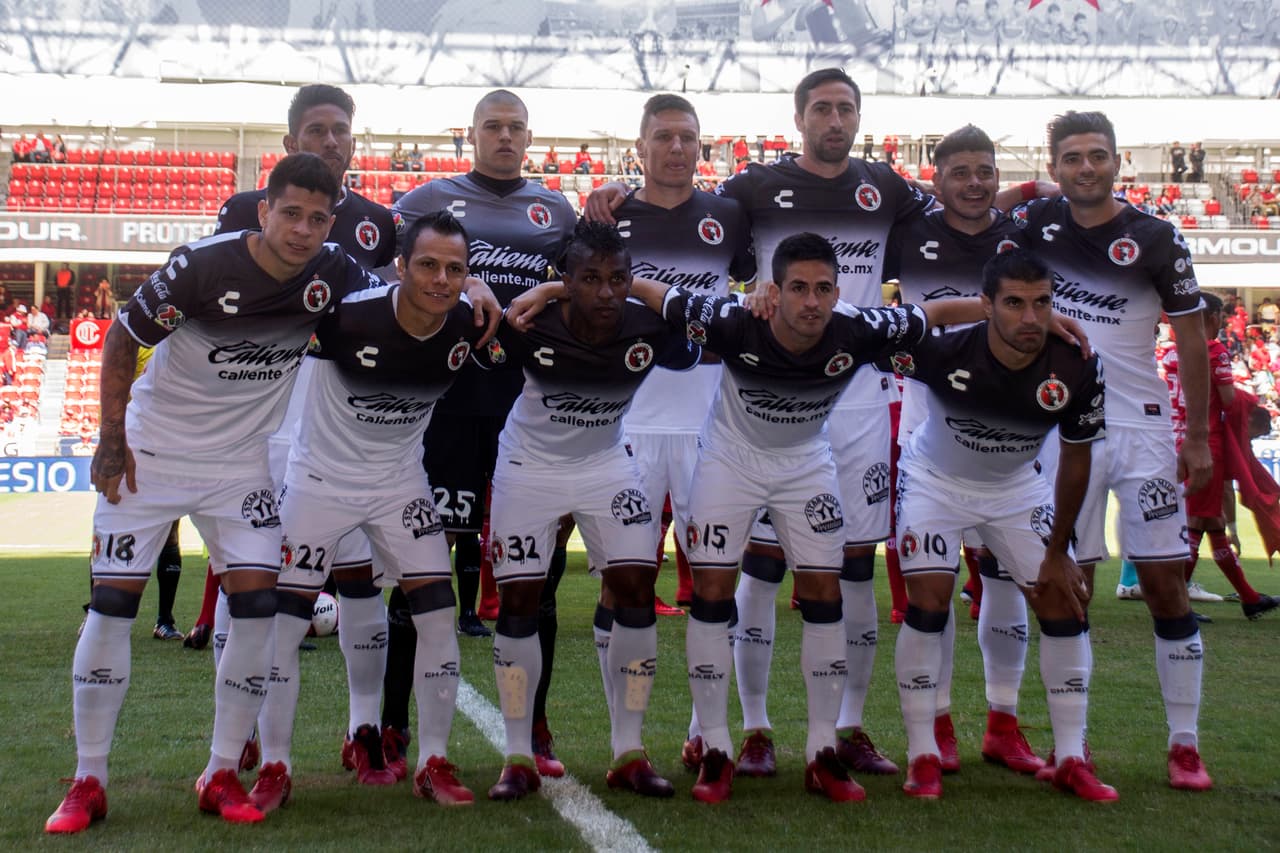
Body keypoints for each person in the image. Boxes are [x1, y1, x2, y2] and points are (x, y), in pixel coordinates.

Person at [45, 152, 383, 834]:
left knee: (258, 610)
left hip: (238, 466)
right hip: (151, 456)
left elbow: (399, 301)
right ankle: (89, 779)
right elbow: (121, 337)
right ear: (265, 211)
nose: (303, 230)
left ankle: (222, 769)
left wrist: (483, 297)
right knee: (111, 608)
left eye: (319, 218)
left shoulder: (335, 271)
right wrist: (111, 437)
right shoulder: (201, 264)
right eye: (291, 213)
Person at [613, 232, 986, 802]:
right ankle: (715, 748)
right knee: (711, 596)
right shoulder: (733, 320)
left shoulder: (858, 328)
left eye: (822, 289)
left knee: (824, 597)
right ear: (774, 289)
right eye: (798, 289)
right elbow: (648, 290)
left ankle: (821, 753)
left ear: (838, 292)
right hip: (729, 463)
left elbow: (931, 312)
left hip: (807, 465)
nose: (811, 302)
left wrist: (1010, 310)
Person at [250, 211, 484, 813]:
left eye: (456, 269)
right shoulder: (347, 317)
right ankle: (275, 763)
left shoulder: (467, 323)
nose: (441, 279)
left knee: (437, 615)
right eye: (427, 265)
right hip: (318, 481)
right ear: (400, 266)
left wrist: (497, 291)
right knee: (284, 622)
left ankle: (432, 760)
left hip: (400, 485)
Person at [1013, 110, 1214, 791]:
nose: (1087, 166)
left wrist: (1196, 435)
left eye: (1098, 154)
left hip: (1143, 429)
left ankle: (1184, 743)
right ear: (1056, 165)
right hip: (1061, 428)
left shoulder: (1156, 236)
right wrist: (1021, 191)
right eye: (1072, 157)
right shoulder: (1036, 227)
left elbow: (1190, 339)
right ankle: (1073, 747)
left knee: (1164, 583)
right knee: (1069, 585)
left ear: (1118, 161)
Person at [390, 88, 576, 777]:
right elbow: (388, 276)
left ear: (530, 137)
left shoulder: (555, 209)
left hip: (527, 407)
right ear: (469, 134)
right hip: (443, 402)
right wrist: (460, 287)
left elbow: (586, 282)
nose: (505, 137)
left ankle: (537, 727)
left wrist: (550, 292)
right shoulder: (424, 201)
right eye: (492, 126)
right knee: (421, 569)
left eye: (515, 128)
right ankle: (391, 729)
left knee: (538, 578)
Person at [481, 220, 697, 802]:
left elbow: (699, 321)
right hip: (528, 468)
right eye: (590, 279)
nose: (606, 292)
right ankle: (518, 754)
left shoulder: (649, 326)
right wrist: (545, 295)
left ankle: (629, 749)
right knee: (521, 601)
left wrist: (641, 289)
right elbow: (475, 322)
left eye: (618, 279)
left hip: (607, 466)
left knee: (634, 588)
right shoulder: (529, 325)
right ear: (567, 280)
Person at [888, 247, 1112, 801]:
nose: (1031, 318)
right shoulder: (941, 350)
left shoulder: (1077, 362)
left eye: (1041, 303)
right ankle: (922, 754)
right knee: (929, 602)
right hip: (934, 481)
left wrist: (1059, 550)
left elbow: (1077, 457)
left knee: (1064, 603)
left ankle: (1069, 756)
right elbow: (864, 335)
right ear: (986, 304)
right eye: (1014, 303)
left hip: (1016, 488)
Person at [585, 93, 755, 767]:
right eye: (664, 136)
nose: (677, 148)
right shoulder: (608, 217)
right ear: (641, 145)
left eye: (688, 137)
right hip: (627, 420)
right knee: (621, 581)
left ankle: (707, 733)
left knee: (716, 578)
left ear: (701, 146)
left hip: (709, 422)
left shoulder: (729, 216)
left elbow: (754, 279)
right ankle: (624, 739)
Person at [882, 124, 1043, 777]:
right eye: (961, 171)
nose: (974, 183)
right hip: (928, 430)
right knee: (933, 587)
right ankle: (939, 722)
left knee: (1006, 581)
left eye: (986, 171)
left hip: (1010, 428)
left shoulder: (1025, 233)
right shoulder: (907, 231)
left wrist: (1043, 184)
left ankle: (1003, 722)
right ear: (937, 176)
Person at [1179, 293, 1279, 619]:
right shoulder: (1216, 352)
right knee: (1199, 521)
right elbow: (1226, 397)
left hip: (1187, 439)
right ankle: (1174, 603)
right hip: (1210, 444)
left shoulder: (1182, 350)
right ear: (1212, 317)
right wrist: (1250, 403)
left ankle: (1250, 598)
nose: (1222, 320)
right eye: (1220, 315)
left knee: (1211, 522)